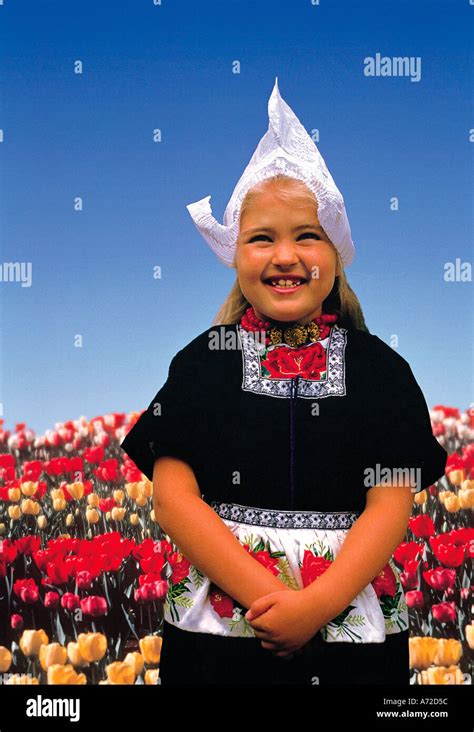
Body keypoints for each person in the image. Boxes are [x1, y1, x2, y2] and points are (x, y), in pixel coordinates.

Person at [120, 78, 448, 686]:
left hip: (350, 622)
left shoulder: (382, 373)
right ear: (235, 253)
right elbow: (173, 499)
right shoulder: (202, 364)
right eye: (261, 238)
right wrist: (270, 602)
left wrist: (318, 606)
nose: (285, 256)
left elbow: (390, 504)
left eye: (307, 236)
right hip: (220, 626)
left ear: (337, 250)